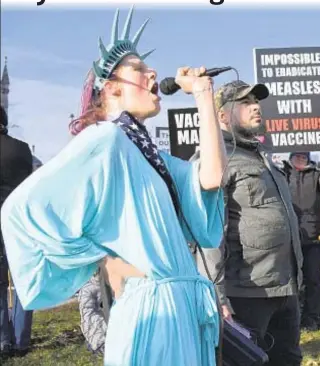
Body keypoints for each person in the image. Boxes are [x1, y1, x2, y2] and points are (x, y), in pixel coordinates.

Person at [0, 7, 227, 366]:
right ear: (112, 88)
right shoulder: (106, 140)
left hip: (179, 309)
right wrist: (103, 257)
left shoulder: (152, 155)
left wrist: (203, 94)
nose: (152, 73)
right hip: (152, 315)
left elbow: (211, 177)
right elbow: (20, 210)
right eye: (138, 69)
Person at [198, 80, 304, 366]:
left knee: (288, 359)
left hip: (284, 286)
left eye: (256, 101)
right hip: (244, 292)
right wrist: (217, 295)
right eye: (245, 102)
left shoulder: (261, 157)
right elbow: (208, 235)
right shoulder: (216, 161)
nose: (256, 107)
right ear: (222, 116)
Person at [283, 143, 320, 331]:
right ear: (290, 157)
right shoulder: (283, 173)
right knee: (289, 279)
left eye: (303, 157)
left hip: (313, 237)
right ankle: (290, 317)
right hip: (289, 236)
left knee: (312, 279)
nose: (300, 159)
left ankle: (311, 317)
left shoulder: (316, 174)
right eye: (296, 156)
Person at [0, 105, 34, 357]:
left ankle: (3, 340)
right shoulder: (23, 149)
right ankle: (22, 340)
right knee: (23, 281)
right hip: (20, 223)